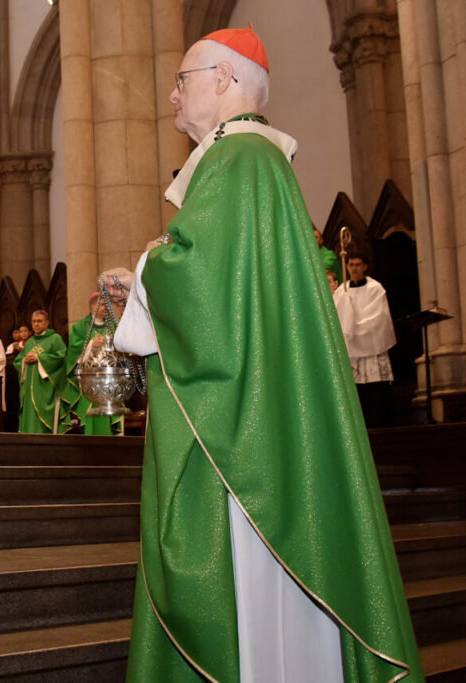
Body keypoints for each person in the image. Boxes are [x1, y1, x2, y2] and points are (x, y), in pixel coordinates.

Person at [114, 26, 420, 682]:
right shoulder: (256, 165)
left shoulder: (236, 161)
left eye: (183, 79)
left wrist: (142, 274)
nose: (173, 95)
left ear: (223, 81)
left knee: (259, 624)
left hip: (245, 452)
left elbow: (198, 284)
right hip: (272, 432)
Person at [333, 253, 396, 427]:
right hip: (351, 352)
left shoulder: (375, 288)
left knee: (375, 397)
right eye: (351, 265)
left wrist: (354, 327)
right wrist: (346, 328)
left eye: (358, 265)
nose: (353, 268)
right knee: (356, 396)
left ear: (365, 267)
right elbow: (336, 318)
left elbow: (380, 317)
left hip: (371, 348)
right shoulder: (341, 291)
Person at [61, 292, 124, 435]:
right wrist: (91, 344)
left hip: (108, 376)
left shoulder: (112, 325)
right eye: (102, 305)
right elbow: (74, 350)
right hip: (88, 376)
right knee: (90, 407)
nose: (105, 308)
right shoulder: (80, 326)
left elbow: (121, 347)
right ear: (93, 306)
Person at [14, 309, 65, 433]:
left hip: (45, 389)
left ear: (47, 323)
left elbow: (61, 357)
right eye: (34, 321)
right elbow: (17, 361)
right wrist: (24, 362)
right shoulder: (30, 342)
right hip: (28, 389)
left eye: (39, 321)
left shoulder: (55, 339)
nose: (36, 324)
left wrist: (39, 358)